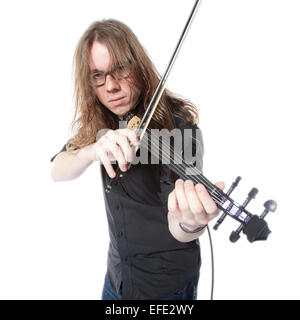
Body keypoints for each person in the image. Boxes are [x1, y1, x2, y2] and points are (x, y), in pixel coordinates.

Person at [50, 19, 224, 300]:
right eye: (98, 75)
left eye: (120, 68)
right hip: (117, 277)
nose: (111, 86)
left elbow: (179, 226)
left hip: (165, 288)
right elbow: (58, 169)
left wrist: (190, 222)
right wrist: (91, 150)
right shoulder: (102, 120)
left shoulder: (179, 128)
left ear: (139, 65)